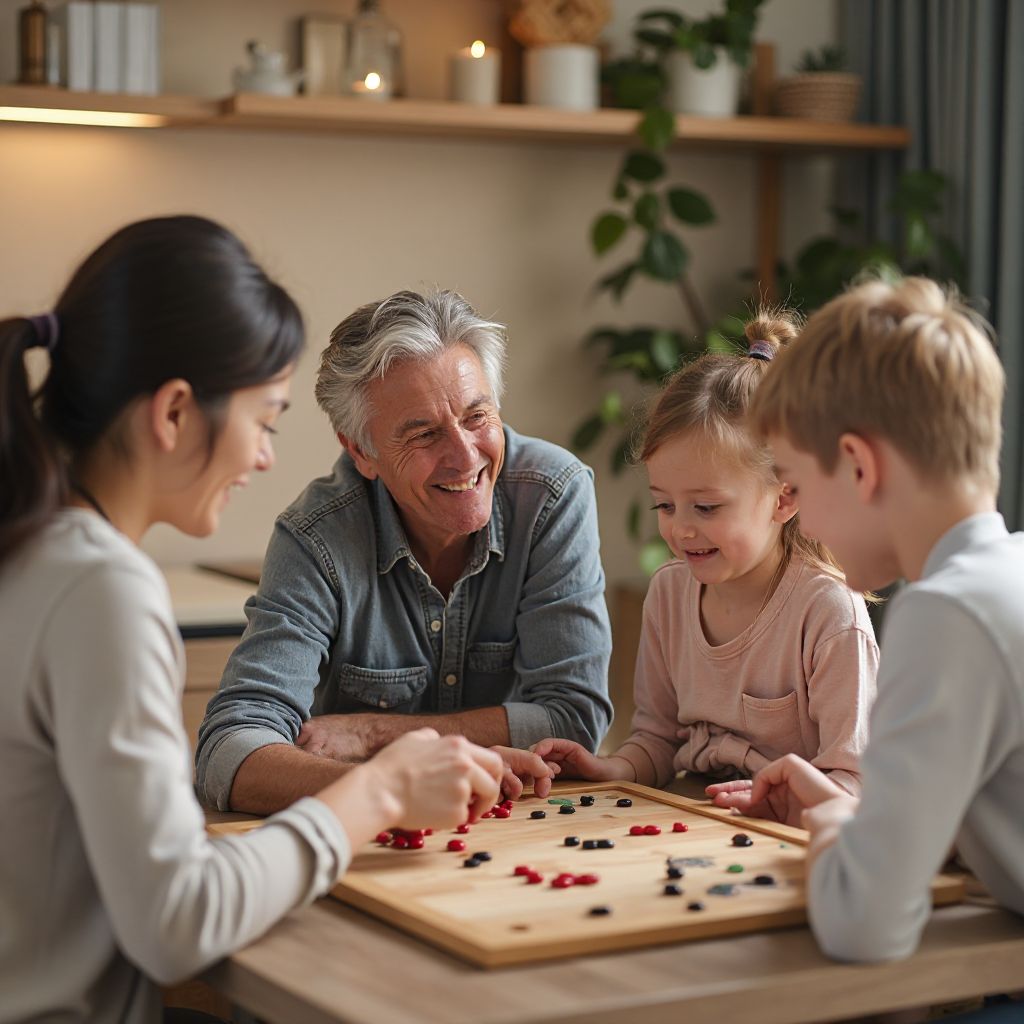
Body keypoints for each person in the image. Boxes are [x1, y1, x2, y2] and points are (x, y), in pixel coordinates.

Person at [0, 216, 508, 1024]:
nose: (266, 458)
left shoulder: (28, 549)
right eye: (264, 420)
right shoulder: (100, 589)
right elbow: (178, 923)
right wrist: (376, 794)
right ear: (173, 414)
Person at [708, 277, 1024, 976]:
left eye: (796, 483)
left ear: (858, 464)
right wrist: (864, 817)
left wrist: (828, 830)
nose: (804, 520)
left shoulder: (950, 613)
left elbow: (865, 927)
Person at [195, 289, 613, 816]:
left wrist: (373, 734)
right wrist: (393, 789)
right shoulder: (316, 537)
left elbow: (575, 719)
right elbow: (229, 751)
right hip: (366, 840)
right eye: (424, 434)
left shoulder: (552, 494)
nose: (464, 457)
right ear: (361, 451)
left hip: (527, 826)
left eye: (477, 416)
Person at [509, 312, 878, 801]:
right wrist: (610, 767)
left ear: (785, 499)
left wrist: (776, 802)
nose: (681, 528)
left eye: (706, 507)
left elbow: (853, 784)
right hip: (692, 816)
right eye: (664, 504)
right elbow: (659, 742)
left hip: (787, 838)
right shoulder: (668, 591)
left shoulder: (829, 613)